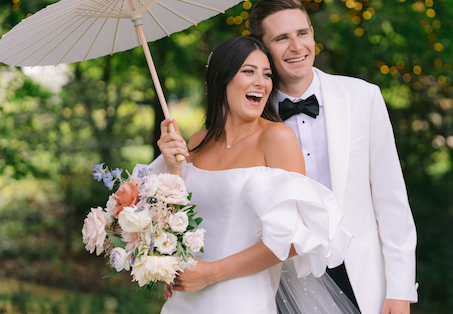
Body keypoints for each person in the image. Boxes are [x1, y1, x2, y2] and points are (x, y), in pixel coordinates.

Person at [151, 36, 356, 314]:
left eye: (267, 74)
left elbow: (295, 238)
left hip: (240, 299)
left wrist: (212, 273)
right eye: (249, 71)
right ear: (220, 78)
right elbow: (174, 219)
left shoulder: (277, 138)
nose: (262, 82)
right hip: (184, 298)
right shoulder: (197, 142)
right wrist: (172, 164)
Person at [248, 0, 418, 314]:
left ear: (313, 34)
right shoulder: (250, 115)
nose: (297, 47)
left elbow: (391, 200)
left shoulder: (363, 96)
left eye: (302, 33)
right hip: (284, 280)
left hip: (361, 274)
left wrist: (400, 290)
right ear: (262, 47)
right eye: (282, 38)